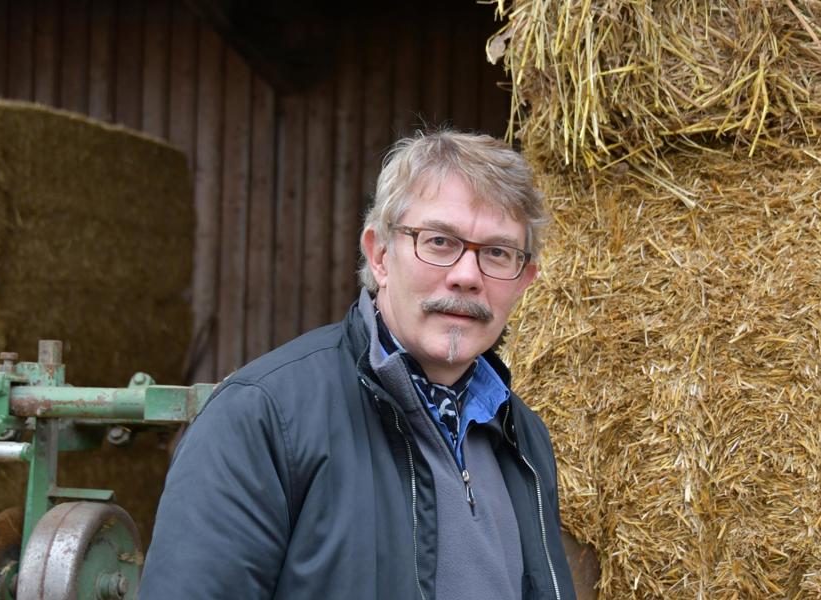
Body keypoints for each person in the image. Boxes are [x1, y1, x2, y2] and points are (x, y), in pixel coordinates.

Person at [140, 130, 577, 600]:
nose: (467, 276)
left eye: (497, 253)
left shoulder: (523, 437)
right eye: (438, 241)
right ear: (380, 255)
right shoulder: (262, 418)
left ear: (525, 280)